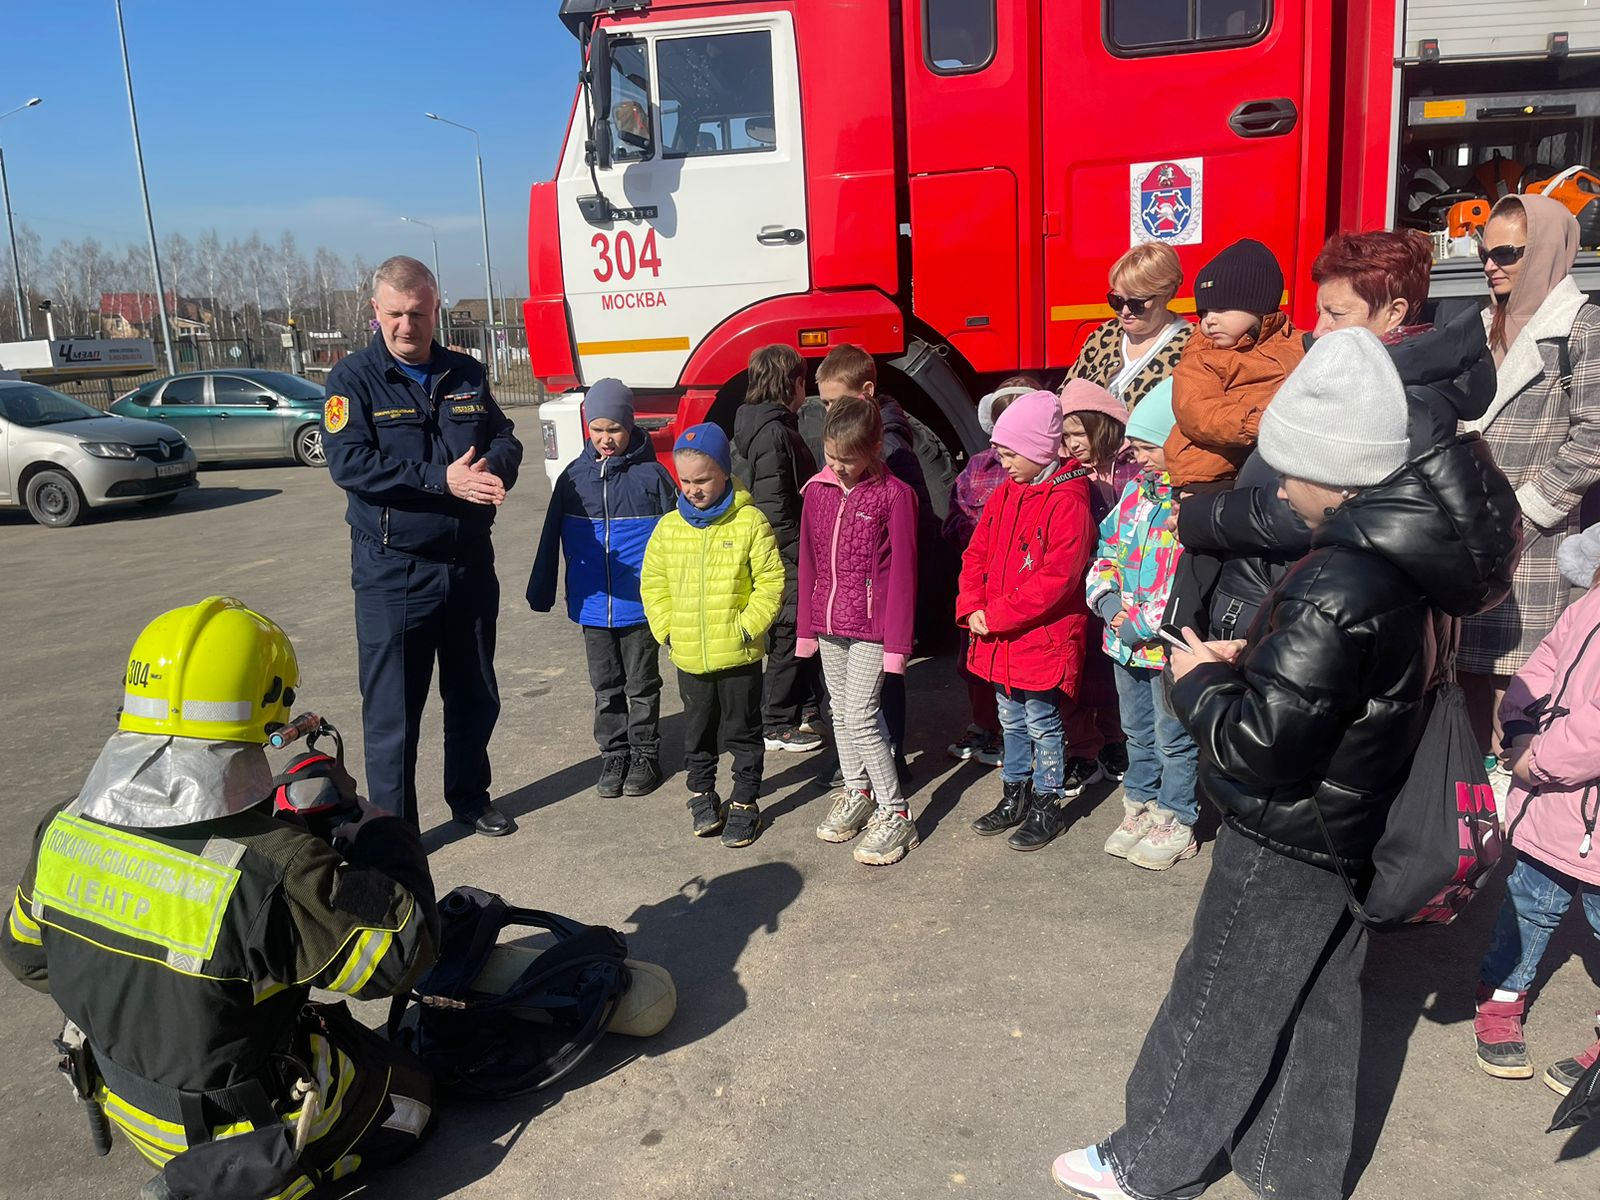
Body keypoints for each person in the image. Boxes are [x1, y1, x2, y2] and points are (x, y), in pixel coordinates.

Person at [1051, 328, 1519, 1200]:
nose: (1276, 488)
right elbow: (1358, 688)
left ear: (1330, 472)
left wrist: (1197, 683)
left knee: (1218, 993)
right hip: (1356, 824)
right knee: (1318, 1000)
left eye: (1286, 469)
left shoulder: (1334, 580)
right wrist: (1263, 661)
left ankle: (1150, 1158)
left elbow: (1254, 748)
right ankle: (1291, 1168)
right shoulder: (1409, 560)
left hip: (1292, 831)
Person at [0, 598, 438, 1193]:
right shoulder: (272, 867)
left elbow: (28, 957)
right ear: (268, 716)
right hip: (240, 1131)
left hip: (128, 1103)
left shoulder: (62, 828)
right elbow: (403, 952)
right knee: (412, 1097)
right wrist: (377, 828)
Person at [1174, 227, 1500, 643]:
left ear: (1394, 312)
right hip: (1277, 593)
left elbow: (1325, 511)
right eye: (1319, 311)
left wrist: (1203, 515)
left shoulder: (1408, 403)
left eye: (1337, 314)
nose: (1319, 329)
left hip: (1300, 610)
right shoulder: (1370, 377)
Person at [324, 255, 522, 836]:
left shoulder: (467, 374)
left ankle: (469, 796)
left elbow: (505, 435)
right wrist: (444, 480)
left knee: (474, 695)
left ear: (436, 310)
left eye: (418, 314)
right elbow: (350, 462)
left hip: (467, 565)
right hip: (394, 572)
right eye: (395, 314)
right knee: (393, 714)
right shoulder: (352, 379)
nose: (407, 326)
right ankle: (394, 832)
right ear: (375, 312)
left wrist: (492, 468)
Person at [1459, 194, 1600, 786]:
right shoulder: (1480, 323)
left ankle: (1507, 835)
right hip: (1467, 537)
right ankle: (1465, 823)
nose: (1492, 264)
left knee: (1514, 686)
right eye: (1485, 251)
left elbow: (1594, 436)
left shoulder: (1582, 327)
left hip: (1536, 543)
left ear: (1545, 250)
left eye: (1509, 252)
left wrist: (1523, 512)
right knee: (1465, 678)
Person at [1472, 523, 1600, 1096]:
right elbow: (1546, 660)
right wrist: (1519, 720)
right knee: (1528, 906)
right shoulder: (1589, 606)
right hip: (1555, 812)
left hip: (1570, 792)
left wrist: (1535, 761)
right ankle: (1500, 999)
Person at [957, 390, 1095, 852]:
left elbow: (1057, 579)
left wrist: (993, 615)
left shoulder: (1068, 501)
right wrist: (971, 604)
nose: (1003, 462)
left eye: (1011, 453)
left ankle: (1047, 802)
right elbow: (976, 553)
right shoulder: (1008, 493)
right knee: (1010, 719)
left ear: (1038, 450)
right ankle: (1014, 795)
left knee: (1042, 722)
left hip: (1040, 638)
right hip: (1002, 636)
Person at [528, 378, 677, 798]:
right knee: (606, 685)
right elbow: (548, 537)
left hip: (641, 607)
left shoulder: (653, 477)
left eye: (614, 428)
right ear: (586, 428)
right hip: (593, 606)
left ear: (630, 425)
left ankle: (645, 753)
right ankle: (614, 752)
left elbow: (678, 539)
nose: (606, 438)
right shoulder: (573, 479)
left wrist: (679, 596)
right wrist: (542, 590)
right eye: (597, 429)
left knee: (642, 684)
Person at [641, 423, 784, 847]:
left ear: (723, 471)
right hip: (689, 655)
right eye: (685, 481)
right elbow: (653, 583)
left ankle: (744, 801)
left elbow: (771, 582)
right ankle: (702, 794)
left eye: (702, 479)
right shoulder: (669, 528)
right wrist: (667, 628)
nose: (693, 489)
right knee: (698, 733)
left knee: (742, 731)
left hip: (738, 654)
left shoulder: (749, 522)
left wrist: (747, 626)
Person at [799, 398, 921, 865]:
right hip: (829, 624)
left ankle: (896, 811)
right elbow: (809, 560)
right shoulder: (816, 491)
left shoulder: (896, 496)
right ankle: (857, 791)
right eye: (831, 457)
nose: (838, 467)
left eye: (847, 459)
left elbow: (905, 575)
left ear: (874, 448)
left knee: (862, 715)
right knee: (839, 711)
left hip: (873, 627)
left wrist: (898, 645)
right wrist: (807, 628)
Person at [810, 344, 937, 784]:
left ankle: (891, 761)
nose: (830, 411)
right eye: (825, 404)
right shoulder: (841, 454)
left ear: (865, 392)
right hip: (842, 606)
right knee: (847, 706)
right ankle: (858, 774)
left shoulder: (893, 453)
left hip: (877, 607)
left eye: (836, 401)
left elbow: (907, 531)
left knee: (880, 694)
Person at [1086, 381, 1199, 870]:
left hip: (1165, 645)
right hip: (1123, 642)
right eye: (1136, 445)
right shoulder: (1134, 494)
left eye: (1150, 446)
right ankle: (1141, 803)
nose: (1138, 455)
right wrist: (1107, 603)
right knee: (1136, 730)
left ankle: (1178, 816)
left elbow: (1188, 581)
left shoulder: (1190, 503)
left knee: (1173, 733)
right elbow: (1106, 551)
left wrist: (1145, 623)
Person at [732, 344, 824, 754]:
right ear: (793, 383)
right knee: (788, 633)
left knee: (799, 632)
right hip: (785, 553)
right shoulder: (772, 433)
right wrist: (797, 559)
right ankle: (776, 723)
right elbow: (776, 509)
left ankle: (805, 709)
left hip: (783, 548)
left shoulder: (767, 425)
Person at [943, 376, 1038, 767]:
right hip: (982, 584)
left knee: (1025, 666)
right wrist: (972, 536)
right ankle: (985, 724)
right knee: (974, 661)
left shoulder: (1044, 475)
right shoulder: (979, 468)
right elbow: (953, 518)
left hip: (1022, 587)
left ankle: (1027, 731)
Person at [1165, 237, 1306, 490]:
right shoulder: (1201, 356)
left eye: (1222, 309)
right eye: (1204, 312)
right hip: (1209, 474)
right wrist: (1257, 423)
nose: (1210, 320)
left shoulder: (1295, 345)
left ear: (1259, 307)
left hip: (1275, 458)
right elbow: (1198, 411)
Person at [1058, 378, 1138, 792]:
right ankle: (1083, 747)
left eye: (1077, 433)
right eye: (1064, 435)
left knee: (1115, 666)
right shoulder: (1068, 473)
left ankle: (1115, 737)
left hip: (1125, 582)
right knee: (1082, 665)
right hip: (1080, 582)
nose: (1070, 443)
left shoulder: (1132, 467)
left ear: (1100, 425)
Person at [1064, 242, 1193, 408]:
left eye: (1136, 303)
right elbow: (1066, 395)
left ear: (1165, 295)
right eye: (1116, 300)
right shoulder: (1103, 335)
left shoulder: (1191, 347)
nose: (1124, 311)